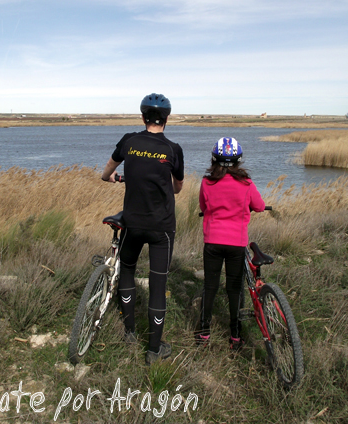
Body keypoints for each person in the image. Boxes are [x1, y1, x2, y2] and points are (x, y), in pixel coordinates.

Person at [101, 93, 184, 365]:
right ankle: (153, 350)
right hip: (161, 228)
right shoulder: (173, 149)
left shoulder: (129, 141)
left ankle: (129, 333)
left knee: (127, 270)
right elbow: (177, 187)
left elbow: (107, 172)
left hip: (132, 224)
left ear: (142, 117)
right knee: (158, 283)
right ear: (167, 119)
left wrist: (112, 177)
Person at [196, 137, 265, 350]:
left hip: (213, 242)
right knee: (235, 289)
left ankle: (204, 332)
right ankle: (235, 335)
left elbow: (204, 207)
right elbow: (260, 206)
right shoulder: (246, 183)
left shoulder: (207, 182)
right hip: (236, 243)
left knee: (210, 286)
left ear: (214, 159)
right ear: (238, 161)